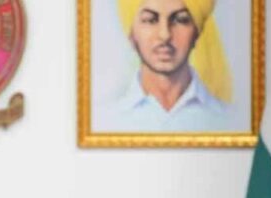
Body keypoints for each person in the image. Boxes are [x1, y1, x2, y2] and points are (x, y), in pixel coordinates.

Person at [94, 0, 234, 132]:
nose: (165, 35)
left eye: (180, 20)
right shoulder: (104, 120)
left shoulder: (229, 120)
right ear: (131, 34)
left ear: (197, 32)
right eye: (150, 20)